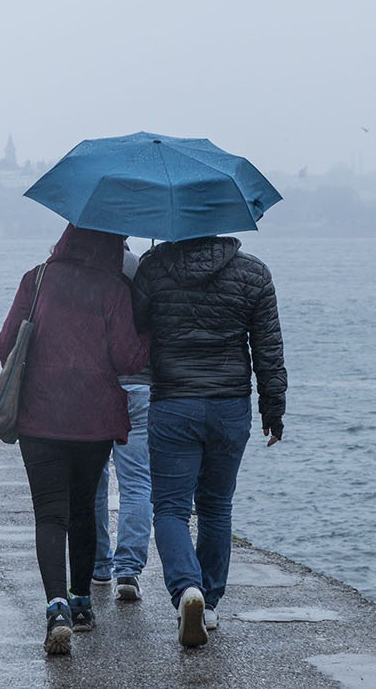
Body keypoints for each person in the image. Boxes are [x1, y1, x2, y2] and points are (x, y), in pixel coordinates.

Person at [0, 225, 149, 655]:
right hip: (94, 419)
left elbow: (6, 341)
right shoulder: (113, 288)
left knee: (49, 514)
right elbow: (127, 358)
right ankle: (82, 604)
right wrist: (149, 332)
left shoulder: (37, 278)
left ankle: (56, 607)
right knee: (84, 507)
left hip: (39, 416)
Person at [132, 235, 287, 648]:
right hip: (229, 405)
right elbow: (267, 348)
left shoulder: (154, 265)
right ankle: (210, 602)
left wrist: (153, 270)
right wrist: (273, 409)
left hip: (174, 402)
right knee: (217, 506)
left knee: (170, 507)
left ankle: (187, 590)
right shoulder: (253, 272)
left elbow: (136, 327)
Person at [92, 244, 153, 602]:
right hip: (141, 384)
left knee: (94, 480)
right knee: (136, 482)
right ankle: (127, 571)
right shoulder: (142, 269)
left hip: (95, 387)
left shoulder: (84, 270)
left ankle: (100, 565)